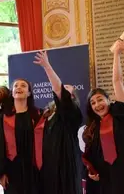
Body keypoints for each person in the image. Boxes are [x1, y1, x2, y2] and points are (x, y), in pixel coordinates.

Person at [34, 51, 83, 194]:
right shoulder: (47, 115)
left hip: (65, 167)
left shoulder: (72, 112)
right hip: (48, 166)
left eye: (67, 89)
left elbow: (58, 89)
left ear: (72, 96)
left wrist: (46, 66)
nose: (63, 90)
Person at [82, 40, 124, 194]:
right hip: (104, 181)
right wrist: (91, 172)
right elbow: (89, 157)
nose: (97, 104)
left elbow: (117, 81)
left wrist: (116, 54)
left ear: (108, 100)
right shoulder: (92, 128)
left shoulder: (119, 114)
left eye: (100, 99)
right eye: (93, 103)